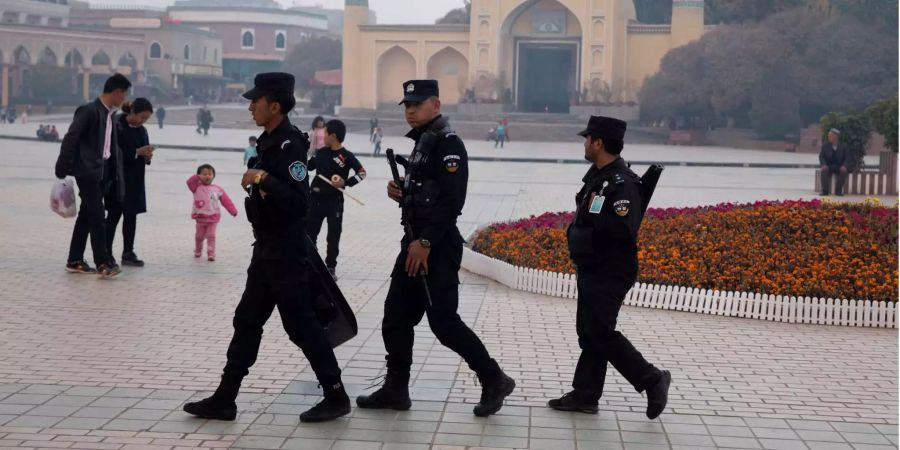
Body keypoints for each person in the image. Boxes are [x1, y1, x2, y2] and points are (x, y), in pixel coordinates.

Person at [183, 72, 351, 423]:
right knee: (247, 320)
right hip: (267, 248)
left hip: (287, 250)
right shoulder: (268, 141)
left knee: (301, 325)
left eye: (255, 101)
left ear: (274, 105)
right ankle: (225, 398)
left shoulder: (290, 146)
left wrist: (263, 178)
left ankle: (336, 395)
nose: (250, 107)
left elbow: (299, 202)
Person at [357, 79, 515, 417]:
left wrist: (426, 242)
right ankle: (396, 390)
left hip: (436, 246)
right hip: (413, 243)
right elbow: (427, 192)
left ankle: (494, 378)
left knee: (444, 323)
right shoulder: (423, 144)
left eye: (417, 104)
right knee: (396, 317)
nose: (410, 110)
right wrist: (402, 191)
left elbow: (451, 202)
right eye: (407, 105)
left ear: (437, 105)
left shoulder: (448, 145)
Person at [548, 115, 671, 419]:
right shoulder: (599, 177)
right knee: (589, 332)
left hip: (610, 269)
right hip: (592, 266)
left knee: (600, 332)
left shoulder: (621, 183)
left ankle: (652, 379)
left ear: (599, 142)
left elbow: (622, 230)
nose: (585, 143)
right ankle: (586, 395)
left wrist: (587, 234)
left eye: (587, 138)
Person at [54, 73, 130, 278]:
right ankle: (103, 262)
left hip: (101, 171)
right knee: (97, 214)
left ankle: (75, 259)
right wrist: (62, 166)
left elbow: (109, 147)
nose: (124, 99)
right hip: (86, 170)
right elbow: (71, 137)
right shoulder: (89, 111)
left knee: (87, 215)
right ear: (115, 92)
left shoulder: (109, 115)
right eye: (123, 94)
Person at [307, 119, 366, 279]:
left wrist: (345, 183)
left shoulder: (346, 156)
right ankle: (311, 263)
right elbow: (307, 166)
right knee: (310, 233)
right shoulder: (321, 152)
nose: (322, 136)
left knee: (333, 235)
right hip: (315, 199)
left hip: (334, 201)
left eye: (325, 133)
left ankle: (331, 266)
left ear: (332, 136)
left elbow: (362, 173)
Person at [105, 98, 155, 267]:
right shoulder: (117, 125)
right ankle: (105, 253)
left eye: (146, 119)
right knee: (113, 216)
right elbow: (112, 153)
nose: (143, 121)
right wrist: (135, 152)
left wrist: (147, 156)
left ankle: (128, 252)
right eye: (142, 117)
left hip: (135, 180)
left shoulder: (142, 131)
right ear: (132, 111)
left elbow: (143, 153)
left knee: (131, 217)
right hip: (118, 180)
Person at [186, 164, 238, 261]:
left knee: (211, 236)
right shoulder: (196, 188)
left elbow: (226, 201)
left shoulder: (217, 189)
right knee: (199, 236)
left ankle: (211, 253)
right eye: (204, 174)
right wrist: (197, 177)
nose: (207, 176)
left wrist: (233, 211)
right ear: (199, 176)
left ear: (213, 176)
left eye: (210, 174)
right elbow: (189, 182)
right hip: (200, 217)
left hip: (213, 217)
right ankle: (198, 249)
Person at [819, 128, 848, 196]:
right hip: (828, 165)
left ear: (836, 137)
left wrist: (844, 166)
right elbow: (821, 157)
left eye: (830, 136)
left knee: (843, 171)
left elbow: (847, 158)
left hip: (839, 166)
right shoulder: (825, 145)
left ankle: (838, 191)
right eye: (829, 136)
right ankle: (825, 191)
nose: (829, 137)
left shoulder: (843, 146)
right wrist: (823, 164)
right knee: (824, 170)